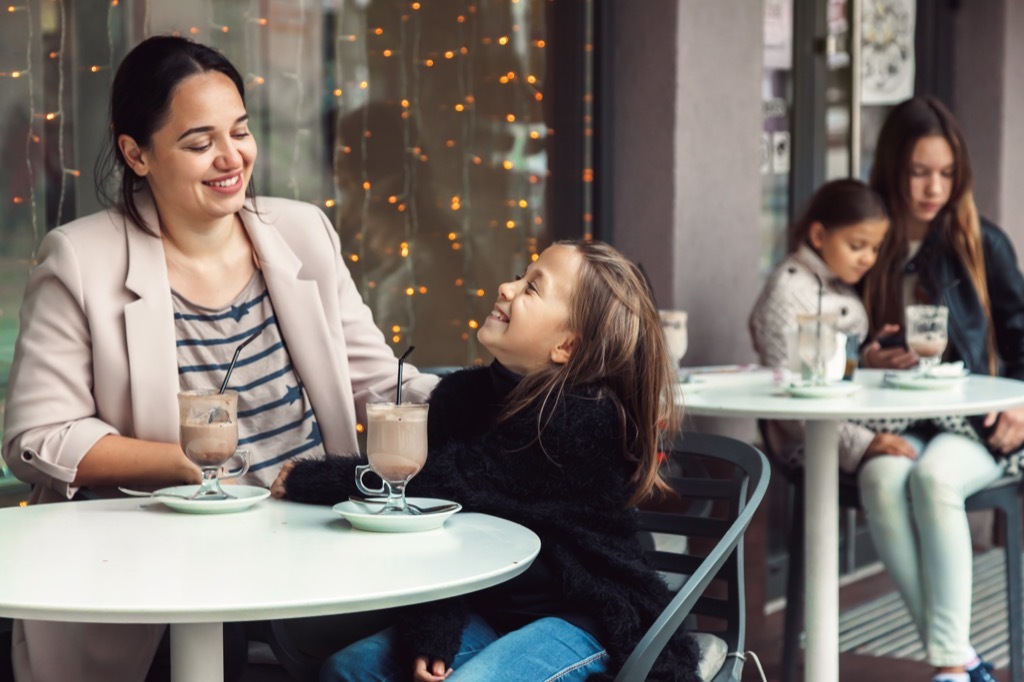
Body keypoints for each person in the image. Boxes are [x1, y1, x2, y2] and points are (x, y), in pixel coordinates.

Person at [0, 35, 438, 682]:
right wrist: (187, 468)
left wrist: (506, 400)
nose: (231, 158)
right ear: (135, 154)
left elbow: (379, 383)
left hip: (314, 561)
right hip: (150, 582)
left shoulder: (300, 232)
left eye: (240, 132)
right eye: (199, 143)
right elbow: (38, 436)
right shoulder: (80, 259)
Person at [272, 241, 702, 681]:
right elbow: (438, 527)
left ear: (567, 347)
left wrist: (314, 480)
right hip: (494, 608)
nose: (507, 287)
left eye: (533, 288)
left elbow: (438, 486)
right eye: (521, 274)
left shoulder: (582, 418)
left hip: (590, 620)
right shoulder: (462, 397)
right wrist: (432, 633)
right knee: (351, 669)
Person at [857, 95, 1024, 682]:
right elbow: (840, 334)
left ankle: (951, 669)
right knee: (879, 478)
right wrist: (865, 357)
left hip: (980, 426)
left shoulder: (981, 244)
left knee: (933, 480)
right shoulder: (867, 245)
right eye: (920, 171)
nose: (935, 187)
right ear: (893, 168)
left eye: (947, 173)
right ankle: (960, 660)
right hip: (899, 426)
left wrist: (1020, 402)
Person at [749, 177, 916, 473]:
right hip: (810, 439)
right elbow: (791, 396)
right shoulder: (788, 293)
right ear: (818, 235)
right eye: (857, 245)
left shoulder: (836, 281)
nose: (868, 258)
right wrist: (863, 443)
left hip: (847, 420)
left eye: (875, 249)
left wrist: (868, 358)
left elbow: (835, 367)